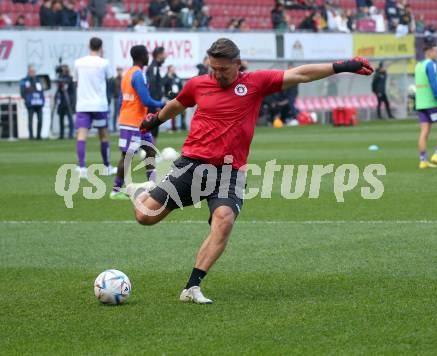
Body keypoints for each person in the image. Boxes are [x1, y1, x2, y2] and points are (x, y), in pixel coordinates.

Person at [132, 38, 373, 304]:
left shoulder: (255, 83)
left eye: (222, 69)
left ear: (237, 64)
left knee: (224, 221)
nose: (216, 74)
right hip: (192, 164)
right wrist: (157, 118)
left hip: (229, 172)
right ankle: (143, 191)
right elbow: (178, 103)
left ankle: (192, 287)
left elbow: (301, 74)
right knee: (145, 217)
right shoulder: (198, 84)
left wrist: (344, 65)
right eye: (212, 68)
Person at [110, 45, 164, 200]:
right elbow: (146, 100)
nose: (149, 57)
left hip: (137, 122)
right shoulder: (138, 75)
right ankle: (115, 190)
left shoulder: (128, 73)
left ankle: (152, 186)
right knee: (127, 156)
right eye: (147, 54)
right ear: (142, 56)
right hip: (132, 122)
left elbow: (122, 99)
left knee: (151, 151)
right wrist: (164, 103)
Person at [73, 37, 115, 177]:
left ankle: (82, 168)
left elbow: (76, 80)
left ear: (88, 46)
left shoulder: (78, 62)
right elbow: (110, 78)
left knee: (81, 135)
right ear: (101, 47)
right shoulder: (104, 63)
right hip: (99, 104)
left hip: (83, 104)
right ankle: (107, 167)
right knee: (103, 135)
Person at [414, 43, 437, 169]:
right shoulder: (431, 64)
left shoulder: (418, 65)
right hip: (432, 102)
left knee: (424, 132)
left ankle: (423, 161)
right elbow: (434, 84)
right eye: (436, 51)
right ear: (429, 52)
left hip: (420, 103)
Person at [146, 46, 167, 141]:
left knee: (154, 129)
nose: (165, 56)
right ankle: (150, 153)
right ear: (159, 55)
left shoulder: (156, 67)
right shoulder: (154, 67)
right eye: (164, 54)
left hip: (155, 103)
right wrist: (156, 104)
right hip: (153, 104)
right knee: (153, 130)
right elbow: (153, 86)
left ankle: (151, 153)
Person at [20, 65, 45, 140]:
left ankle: (38, 135)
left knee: (40, 119)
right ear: (28, 72)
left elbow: (41, 91)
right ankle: (31, 136)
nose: (33, 73)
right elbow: (22, 92)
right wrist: (27, 100)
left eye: (34, 72)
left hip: (39, 103)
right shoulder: (24, 80)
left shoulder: (38, 80)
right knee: (30, 120)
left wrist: (43, 100)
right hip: (30, 104)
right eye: (31, 72)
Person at [163, 65, 184, 131]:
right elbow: (163, 84)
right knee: (168, 112)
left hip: (177, 98)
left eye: (173, 69)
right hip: (169, 98)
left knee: (178, 112)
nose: (173, 70)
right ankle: (169, 127)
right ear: (169, 70)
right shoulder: (166, 77)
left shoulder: (176, 77)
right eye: (172, 69)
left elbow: (180, 85)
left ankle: (178, 127)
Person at [56, 64, 75, 139]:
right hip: (62, 101)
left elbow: (66, 83)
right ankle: (61, 134)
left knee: (70, 118)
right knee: (61, 119)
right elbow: (59, 90)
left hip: (68, 101)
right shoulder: (60, 77)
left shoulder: (70, 78)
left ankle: (71, 134)